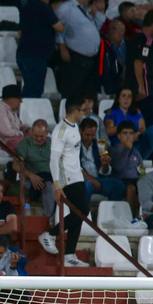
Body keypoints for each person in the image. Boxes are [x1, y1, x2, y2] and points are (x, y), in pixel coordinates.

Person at [44, 96, 89, 267]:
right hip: (67, 179)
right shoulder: (60, 131)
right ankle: (50, 234)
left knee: (78, 216)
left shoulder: (75, 126)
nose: (85, 114)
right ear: (76, 111)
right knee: (82, 212)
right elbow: (53, 159)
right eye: (83, 111)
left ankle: (70, 254)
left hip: (78, 176)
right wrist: (57, 185)